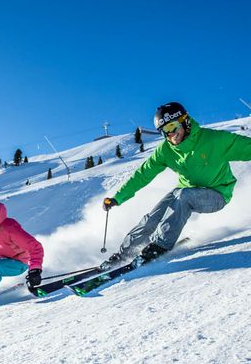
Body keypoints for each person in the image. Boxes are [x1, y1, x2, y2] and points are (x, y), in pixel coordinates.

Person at [102, 101, 251, 268]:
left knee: (183, 196)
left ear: (185, 121)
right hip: (185, 191)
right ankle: (124, 254)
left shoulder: (214, 140)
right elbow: (142, 175)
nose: (170, 134)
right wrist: (118, 198)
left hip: (217, 193)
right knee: (155, 215)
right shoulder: (166, 150)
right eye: (164, 130)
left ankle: (159, 245)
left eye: (172, 126)